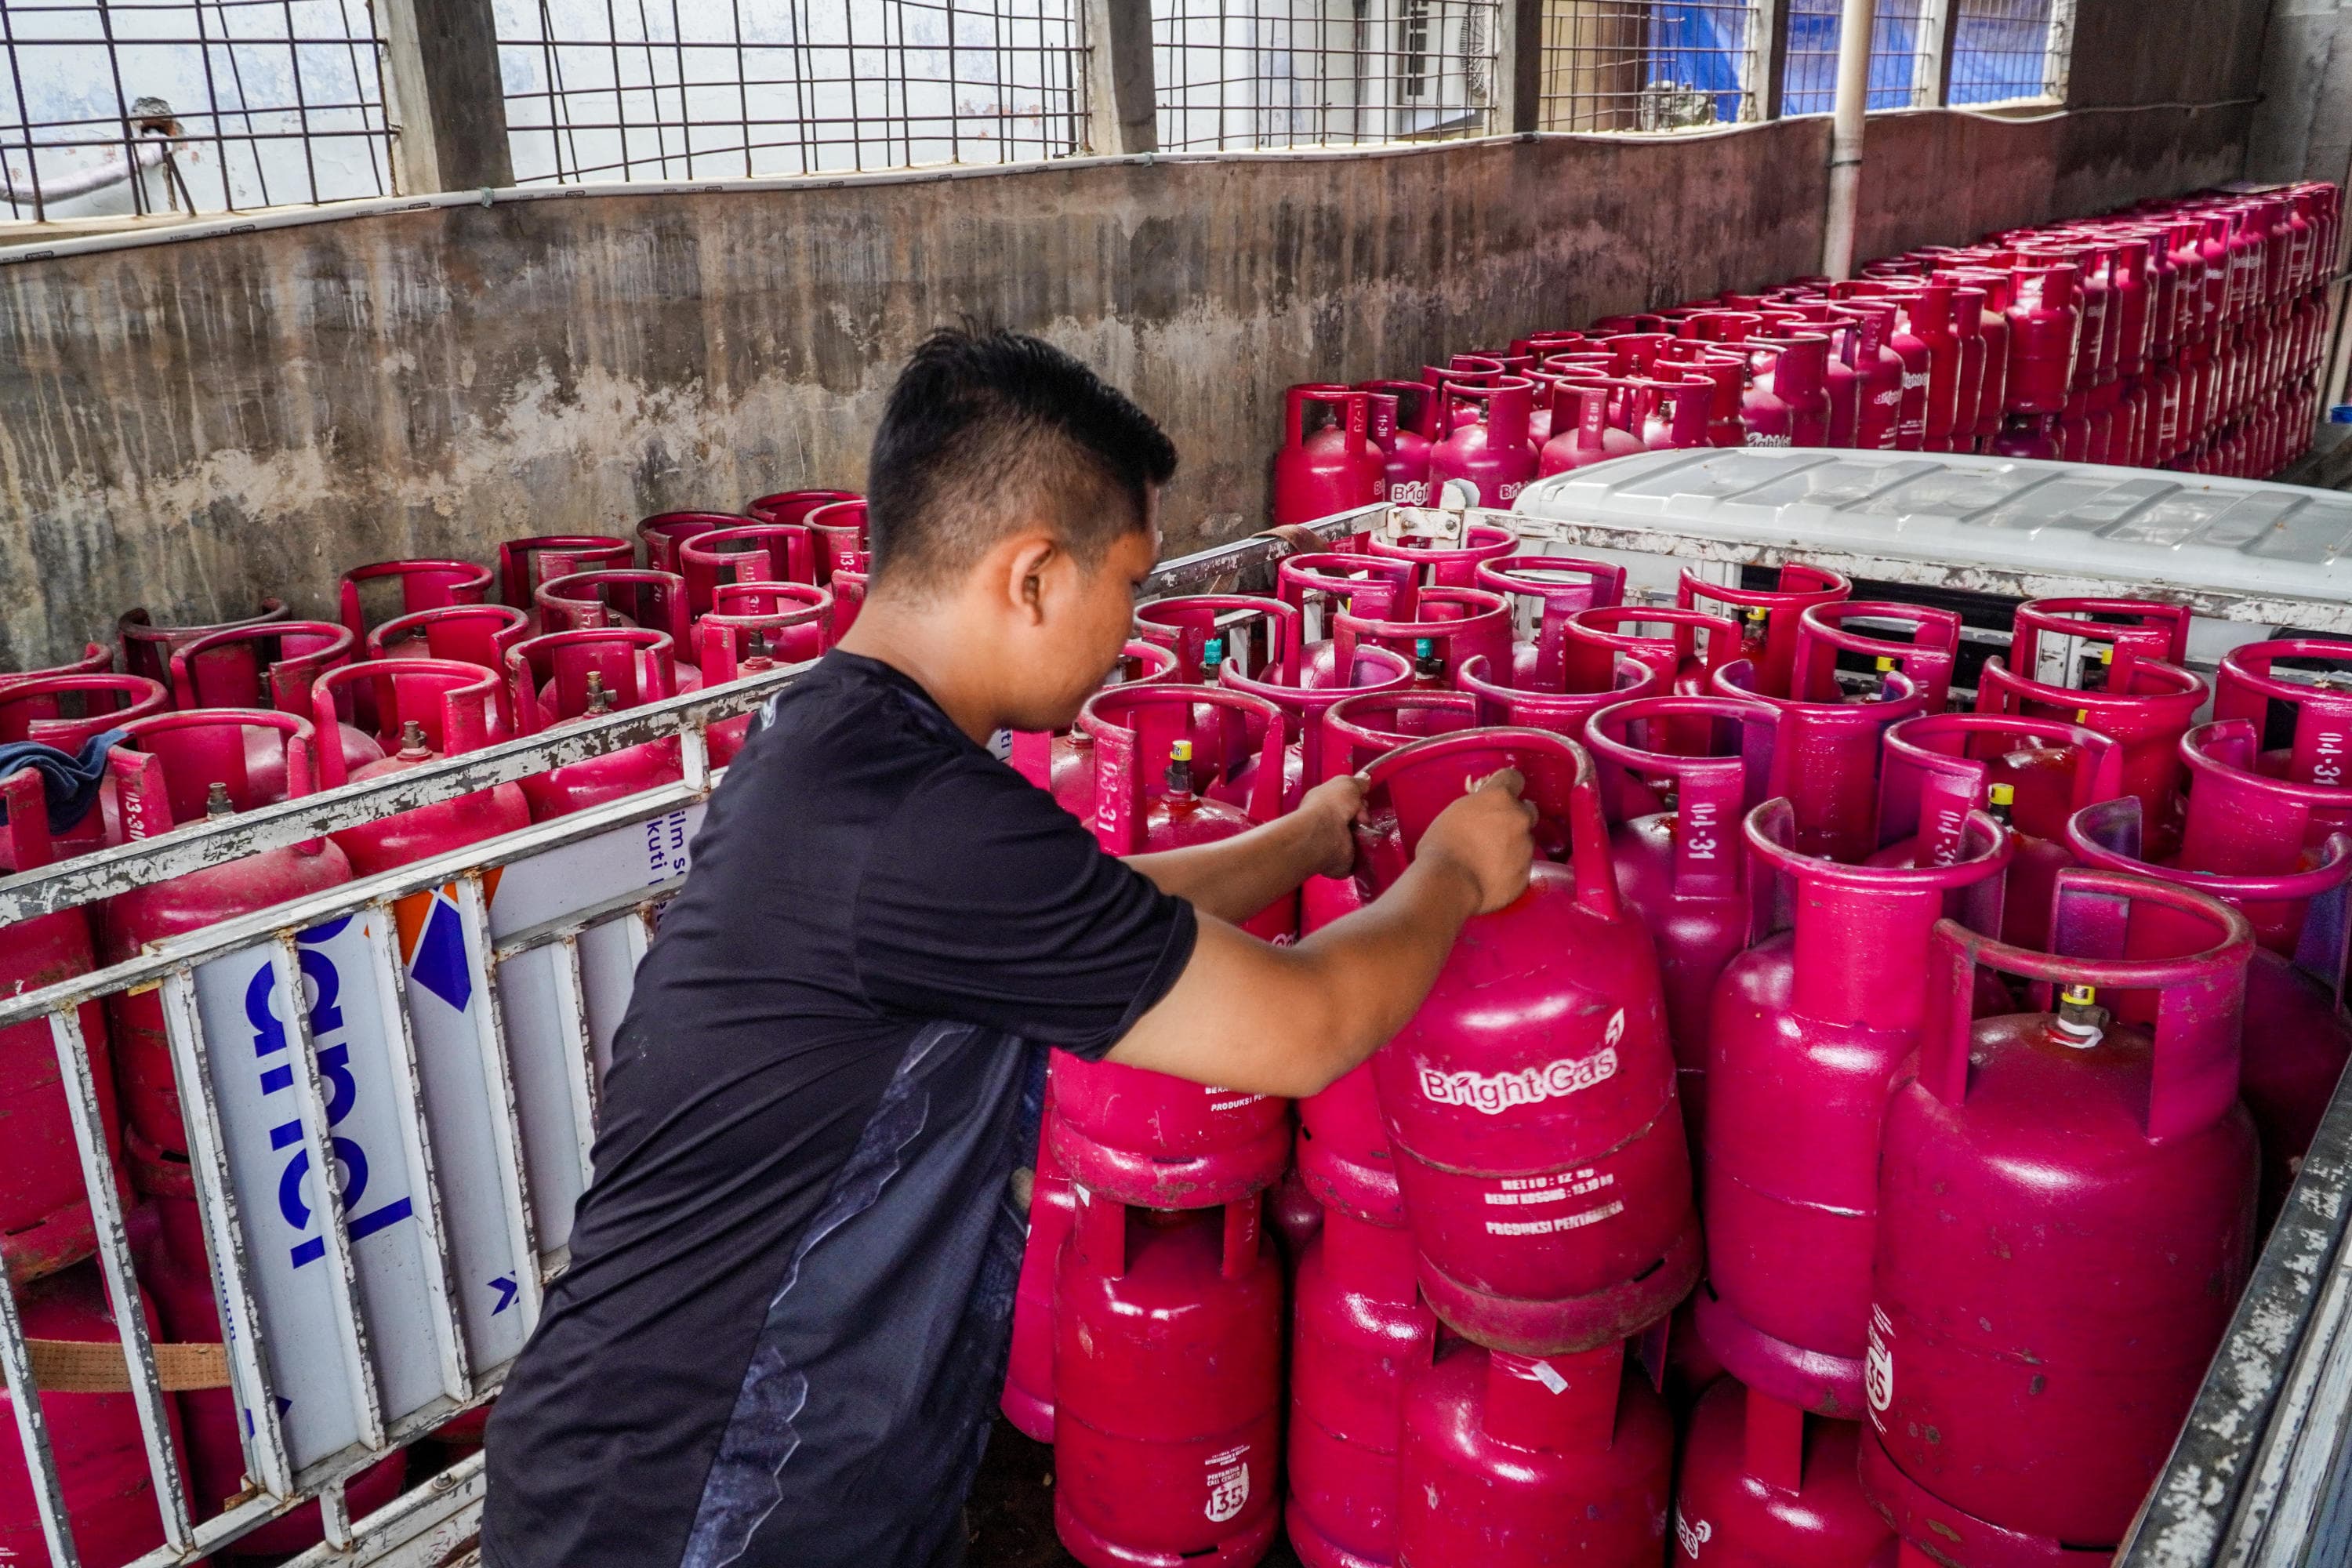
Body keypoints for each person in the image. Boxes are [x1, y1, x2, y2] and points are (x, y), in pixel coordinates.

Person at [480, 327, 1535, 1568]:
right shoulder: (921, 817)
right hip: (689, 1502)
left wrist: (1302, 845)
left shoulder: (841, 741)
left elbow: (1087, 911)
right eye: (1132, 583)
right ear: (1033, 576)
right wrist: (1455, 873)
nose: (1136, 623)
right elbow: (1303, 1029)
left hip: (715, 1459)